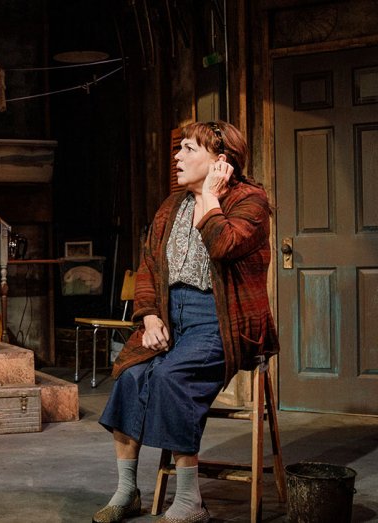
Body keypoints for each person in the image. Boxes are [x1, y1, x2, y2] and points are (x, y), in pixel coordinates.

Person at [92, 121, 279, 523]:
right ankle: (128, 491)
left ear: (219, 160)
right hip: (170, 319)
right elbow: (148, 266)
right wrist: (151, 315)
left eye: (188, 149)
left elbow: (224, 244)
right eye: (179, 149)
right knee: (130, 376)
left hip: (221, 323)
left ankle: (190, 500)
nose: (176, 157)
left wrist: (210, 195)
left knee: (170, 378)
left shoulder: (250, 201)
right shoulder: (170, 206)